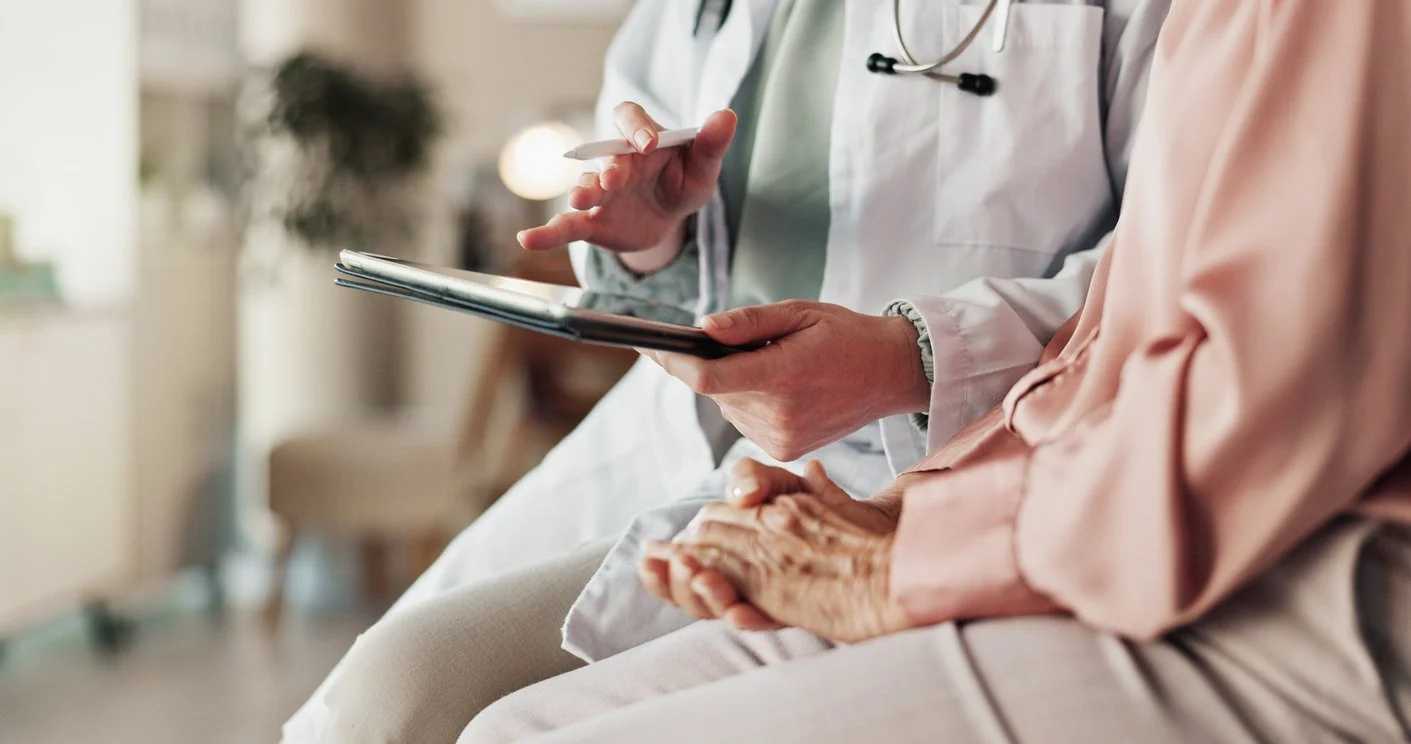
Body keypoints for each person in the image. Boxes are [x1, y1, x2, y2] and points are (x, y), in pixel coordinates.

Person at [454, 0, 1411, 740]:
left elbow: (1242, 389)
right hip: (876, 462)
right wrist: (644, 245)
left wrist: (911, 523)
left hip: (1081, 485)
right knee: (457, 714)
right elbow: (1132, 312)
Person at [283, 1, 1170, 741]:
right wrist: (645, 239)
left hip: (943, 463)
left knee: (455, 712)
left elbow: (1179, 253)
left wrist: (916, 355)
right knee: (369, 708)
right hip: (687, 440)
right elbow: (674, 265)